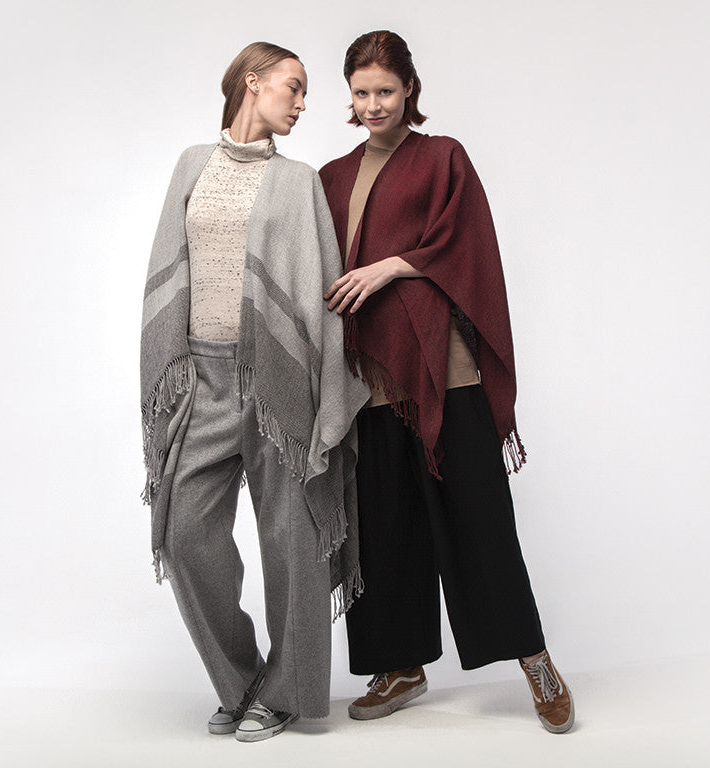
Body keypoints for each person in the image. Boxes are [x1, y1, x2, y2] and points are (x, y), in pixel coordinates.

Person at [319, 30, 574, 734]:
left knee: (479, 517)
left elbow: (466, 243)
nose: (374, 104)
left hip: (443, 368)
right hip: (369, 378)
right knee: (383, 526)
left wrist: (390, 266)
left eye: (386, 91)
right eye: (361, 93)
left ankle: (534, 660)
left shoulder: (441, 157)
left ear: (410, 90)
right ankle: (399, 666)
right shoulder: (332, 177)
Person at [140, 42, 369, 742]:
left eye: (304, 94)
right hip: (202, 377)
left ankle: (289, 691)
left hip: (276, 380)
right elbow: (167, 265)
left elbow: (316, 283)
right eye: (292, 87)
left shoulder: (298, 182)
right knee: (184, 535)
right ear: (252, 81)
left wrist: (323, 388)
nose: (301, 103)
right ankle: (244, 683)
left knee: (291, 541)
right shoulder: (191, 165)